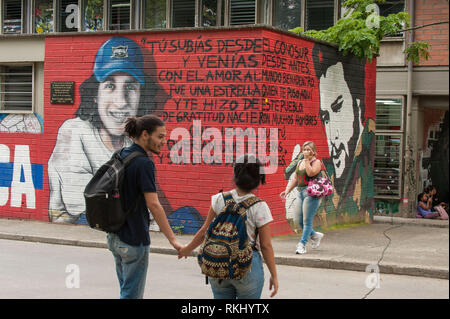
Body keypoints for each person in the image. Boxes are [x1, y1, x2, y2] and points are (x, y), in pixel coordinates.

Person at [47, 36, 168, 224]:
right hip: (87, 220)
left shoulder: (130, 141)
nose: (121, 102)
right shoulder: (74, 131)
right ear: (95, 94)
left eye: (130, 87)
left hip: (119, 220)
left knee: (188, 215)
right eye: (110, 86)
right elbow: (81, 202)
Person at [178, 154, 279, 299]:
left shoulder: (219, 199)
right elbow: (265, 245)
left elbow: (205, 231)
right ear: (259, 180)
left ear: (235, 175)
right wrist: (274, 275)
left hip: (218, 265)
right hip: (247, 267)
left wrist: (187, 249)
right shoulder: (260, 206)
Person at [107, 114, 183, 299]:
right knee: (131, 295)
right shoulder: (144, 163)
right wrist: (173, 240)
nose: (163, 141)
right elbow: (154, 205)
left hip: (115, 236)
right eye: (160, 136)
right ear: (144, 134)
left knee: (126, 290)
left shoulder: (119, 154)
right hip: (134, 239)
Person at [312, 42, 375, 225]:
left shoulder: (365, 164)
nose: (331, 133)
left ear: (358, 107)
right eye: (325, 118)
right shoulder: (327, 172)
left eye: (338, 108)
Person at [280, 141, 324, 255]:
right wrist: (287, 191)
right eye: (304, 149)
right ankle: (314, 235)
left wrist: (308, 160)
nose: (306, 151)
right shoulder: (300, 162)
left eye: (309, 149)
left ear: (313, 151)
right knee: (297, 220)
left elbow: (310, 173)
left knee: (306, 220)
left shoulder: (316, 162)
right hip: (300, 192)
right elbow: (295, 178)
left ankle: (302, 244)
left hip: (311, 194)